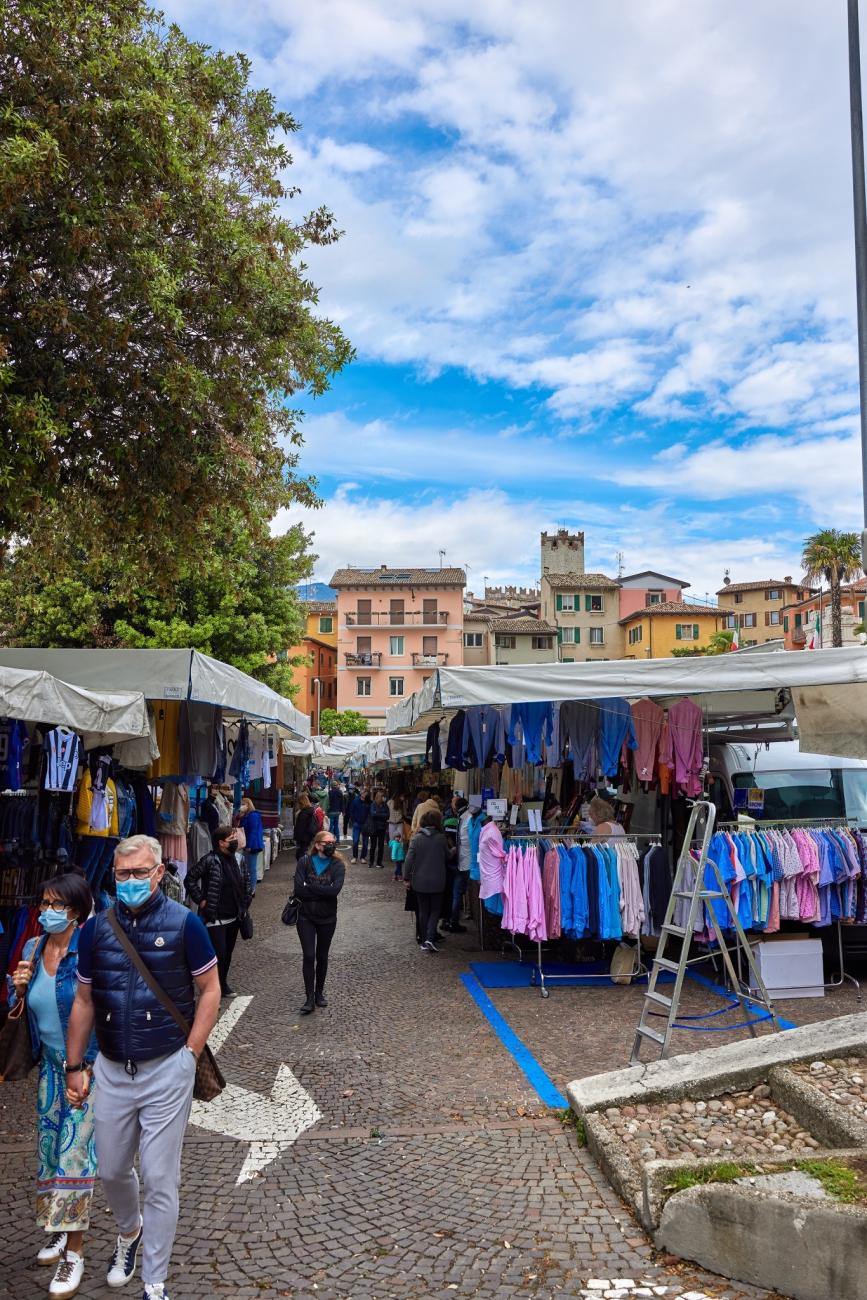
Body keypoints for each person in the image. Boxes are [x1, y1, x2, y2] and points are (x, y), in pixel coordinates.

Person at [64, 835, 221, 1300]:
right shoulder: (96, 930)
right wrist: (75, 1064)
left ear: (158, 873)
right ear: (112, 876)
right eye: (122, 873)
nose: (130, 881)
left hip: (165, 1068)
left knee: (159, 1176)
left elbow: (209, 989)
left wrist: (189, 1055)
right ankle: (129, 1232)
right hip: (112, 1068)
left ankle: (155, 1280)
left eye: (139, 872)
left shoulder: (185, 923)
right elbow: (84, 999)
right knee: (111, 1170)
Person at [9, 872, 98, 1300]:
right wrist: (19, 990)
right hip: (49, 1070)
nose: (46, 911)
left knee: (74, 1158)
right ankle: (59, 1230)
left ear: (76, 910)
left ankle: (74, 1255)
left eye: (55, 905)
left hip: (83, 1071)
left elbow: (103, 1009)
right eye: (43, 903)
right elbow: (26, 1013)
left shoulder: (91, 950)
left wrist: (86, 1065)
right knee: (48, 1154)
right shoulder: (32, 948)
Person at [185, 825, 253, 998]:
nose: (235, 841)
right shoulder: (210, 860)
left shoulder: (239, 859)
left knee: (228, 953)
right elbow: (190, 879)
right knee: (219, 953)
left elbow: (246, 880)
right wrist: (201, 900)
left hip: (235, 914)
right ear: (221, 843)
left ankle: (223, 984)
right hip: (215, 916)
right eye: (231, 839)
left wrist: (246, 901)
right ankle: (212, 987)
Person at [293, 828, 346, 1015]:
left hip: (327, 918)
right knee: (309, 956)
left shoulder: (338, 865)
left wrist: (311, 886)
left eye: (333, 843)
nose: (331, 846)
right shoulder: (304, 862)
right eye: (327, 843)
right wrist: (323, 889)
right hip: (305, 916)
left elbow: (335, 891)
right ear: (317, 845)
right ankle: (308, 998)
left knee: (322, 956)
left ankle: (319, 992)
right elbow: (299, 890)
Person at [403, 809, 455, 952]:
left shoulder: (416, 839)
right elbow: (448, 856)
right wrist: (454, 849)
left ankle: (424, 938)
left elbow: (408, 860)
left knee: (423, 910)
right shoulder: (441, 838)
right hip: (438, 881)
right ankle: (429, 939)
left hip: (419, 881)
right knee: (435, 910)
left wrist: (406, 878)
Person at [443, 796, 470, 933]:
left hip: (450, 861)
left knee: (449, 892)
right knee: (456, 893)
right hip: (458, 861)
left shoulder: (451, 820)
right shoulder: (464, 819)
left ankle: (446, 920)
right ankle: (453, 921)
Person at [237, 796, 264, 894]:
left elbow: (253, 831)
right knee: (247, 868)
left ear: (248, 805)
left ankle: (252, 890)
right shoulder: (246, 815)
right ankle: (248, 888)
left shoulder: (253, 815)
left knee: (251, 868)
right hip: (248, 844)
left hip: (252, 845)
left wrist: (249, 845)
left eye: (243, 804)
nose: (242, 806)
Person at [368, 789, 390, 868]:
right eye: (382, 796)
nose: (383, 798)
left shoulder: (385, 805)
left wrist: (378, 814)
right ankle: (371, 862)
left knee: (381, 846)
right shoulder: (373, 804)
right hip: (374, 827)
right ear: (379, 797)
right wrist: (381, 815)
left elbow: (387, 815)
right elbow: (373, 815)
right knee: (373, 846)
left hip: (382, 828)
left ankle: (379, 862)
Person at [348, 787, 370, 863]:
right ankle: (355, 857)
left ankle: (363, 857)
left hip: (365, 824)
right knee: (355, 841)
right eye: (363, 792)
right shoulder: (355, 801)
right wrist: (354, 820)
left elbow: (370, 813)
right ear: (361, 793)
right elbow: (351, 811)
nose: (364, 794)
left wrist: (368, 821)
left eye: (365, 793)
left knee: (365, 842)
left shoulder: (368, 802)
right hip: (357, 823)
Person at [293, 793, 317, 860]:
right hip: (309, 836)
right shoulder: (311, 811)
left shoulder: (303, 814)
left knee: (301, 856)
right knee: (307, 854)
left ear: (301, 803)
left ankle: (304, 869)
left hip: (303, 839)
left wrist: (296, 839)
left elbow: (300, 828)